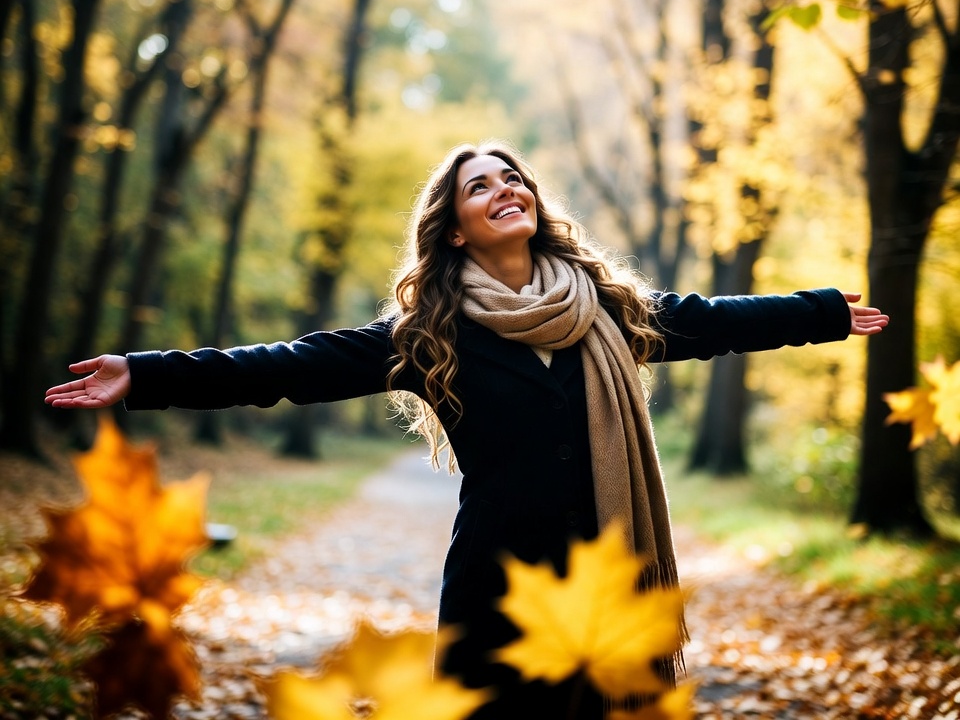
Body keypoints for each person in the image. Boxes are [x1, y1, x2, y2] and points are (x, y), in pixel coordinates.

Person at [45, 141, 888, 718]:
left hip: (608, 584)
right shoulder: (432, 333)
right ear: (454, 228)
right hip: (497, 589)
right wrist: (145, 374)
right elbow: (285, 368)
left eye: (511, 177)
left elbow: (709, 321)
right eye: (478, 186)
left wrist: (817, 312)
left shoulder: (605, 310)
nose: (504, 189)